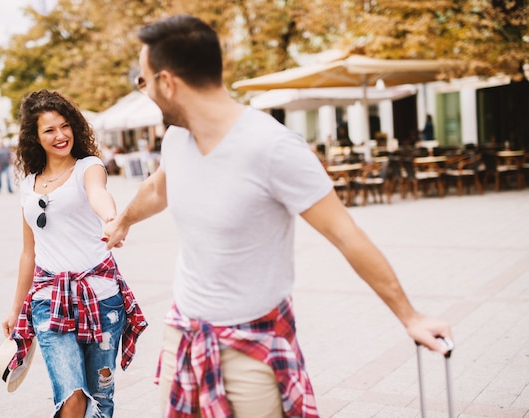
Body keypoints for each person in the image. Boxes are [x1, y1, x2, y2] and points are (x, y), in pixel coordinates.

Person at [102, 14, 453, 418]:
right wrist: (124, 220)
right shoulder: (178, 138)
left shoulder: (273, 147)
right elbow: (158, 189)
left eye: (142, 81)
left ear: (167, 83)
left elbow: (346, 234)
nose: (143, 91)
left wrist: (410, 317)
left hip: (253, 344)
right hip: (183, 332)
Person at [2, 89, 147, 418]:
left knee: (101, 397)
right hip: (49, 302)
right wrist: (15, 309)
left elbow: (99, 193)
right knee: (72, 398)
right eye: (49, 130)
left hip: (102, 298)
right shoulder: (28, 185)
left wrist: (111, 219)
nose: (60, 135)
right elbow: (29, 253)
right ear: (35, 137)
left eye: (65, 126)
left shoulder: (88, 167)